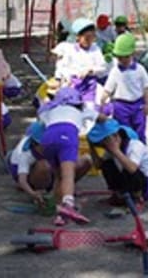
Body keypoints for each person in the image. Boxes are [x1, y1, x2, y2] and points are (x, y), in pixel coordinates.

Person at [37, 87, 97, 225]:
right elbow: (101, 117)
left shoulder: (49, 110)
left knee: (59, 177)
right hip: (67, 135)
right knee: (68, 175)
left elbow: (40, 122)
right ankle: (69, 205)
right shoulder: (80, 111)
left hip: (48, 139)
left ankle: (59, 214)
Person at [88, 119, 148, 205]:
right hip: (127, 180)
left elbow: (132, 168)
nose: (104, 147)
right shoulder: (111, 150)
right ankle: (119, 195)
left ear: (115, 136)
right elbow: (98, 165)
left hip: (147, 184)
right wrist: (91, 147)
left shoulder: (135, 146)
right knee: (107, 165)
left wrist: (116, 150)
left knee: (128, 169)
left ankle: (137, 198)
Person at [103, 33, 148, 144]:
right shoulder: (115, 71)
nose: (123, 60)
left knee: (140, 131)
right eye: (120, 57)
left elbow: (146, 87)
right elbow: (107, 89)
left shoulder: (140, 69)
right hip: (121, 105)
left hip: (138, 104)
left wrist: (147, 104)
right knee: (124, 132)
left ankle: (141, 154)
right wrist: (101, 103)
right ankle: (126, 156)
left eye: (126, 57)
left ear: (132, 54)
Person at [56, 18, 107, 109]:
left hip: (89, 85)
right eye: (86, 38)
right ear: (78, 37)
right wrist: (64, 78)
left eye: (92, 38)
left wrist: (91, 70)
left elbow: (102, 67)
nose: (89, 42)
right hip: (73, 84)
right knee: (72, 107)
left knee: (89, 107)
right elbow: (62, 67)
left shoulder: (95, 49)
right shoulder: (71, 50)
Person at [8, 122, 54, 205]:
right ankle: (40, 191)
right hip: (20, 170)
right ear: (35, 144)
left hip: (35, 168)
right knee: (44, 166)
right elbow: (22, 180)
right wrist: (33, 194)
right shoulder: (25, 154)